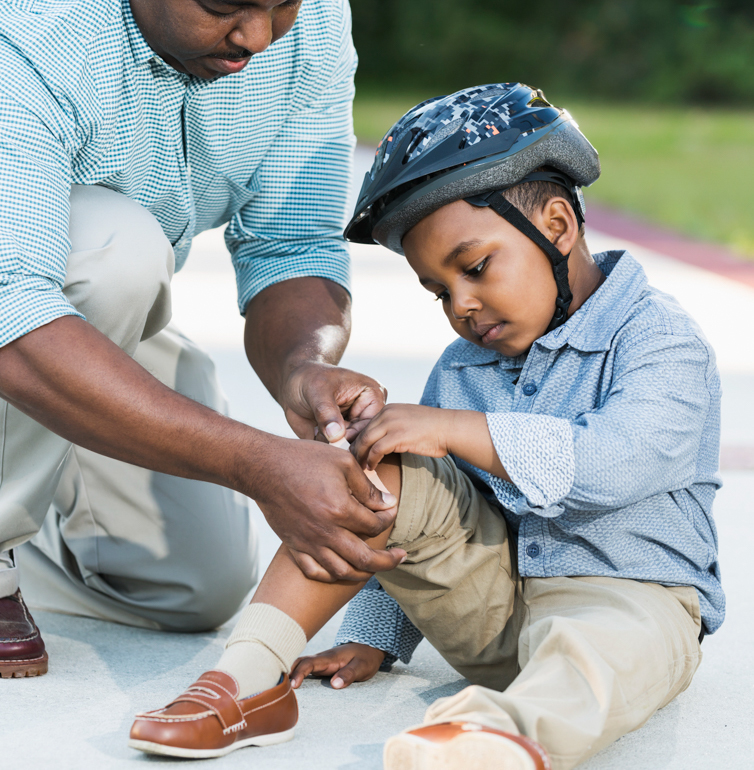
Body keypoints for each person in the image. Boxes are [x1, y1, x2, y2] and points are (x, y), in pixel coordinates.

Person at [0, 0, 407, 679]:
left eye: (280, 5)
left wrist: (303, 367)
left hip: (73, 264)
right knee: (115, 253)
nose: (258, 36)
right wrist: (256, 464)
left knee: (192, 587)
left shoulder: (313, 20)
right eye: (223, 5)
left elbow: (291, 243)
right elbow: (8, 320)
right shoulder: (13, 21)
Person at [129, 83, 723, 770]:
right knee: (377, 465)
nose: (462, 306)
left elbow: (621, 463)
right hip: (493, 611)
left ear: (557, 225)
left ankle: (493, 737)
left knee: (595, 658)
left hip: (630, 601)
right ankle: (244, 680)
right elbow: (410, 525)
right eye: (439, 291)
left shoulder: (660, 341)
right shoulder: (464, 367)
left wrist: (454, 428)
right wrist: (376, 636)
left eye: (475, 268)